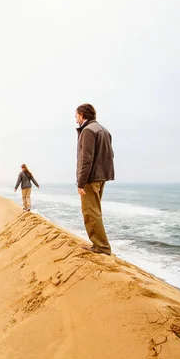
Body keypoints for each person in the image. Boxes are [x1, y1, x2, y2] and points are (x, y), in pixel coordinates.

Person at [75, 103, 115, 255]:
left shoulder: (88, 131)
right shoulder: (104, 130)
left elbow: (86, 159)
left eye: (76, 116)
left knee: (90, 212)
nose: (76, 120)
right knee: (95, 211)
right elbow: (110, 155)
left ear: (82, 115)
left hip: (91, 178)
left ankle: (101, 247)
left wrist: (81, 182)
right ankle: (100, 245)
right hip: (101, 176)